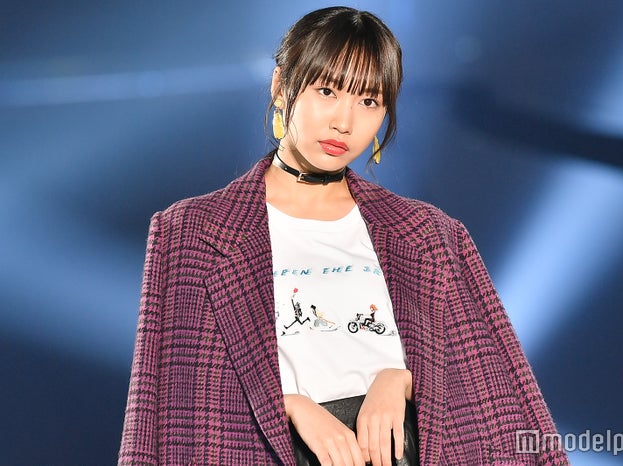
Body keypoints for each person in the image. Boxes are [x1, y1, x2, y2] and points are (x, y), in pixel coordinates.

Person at [118, 6, 569, 466]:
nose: (344, 122)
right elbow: (169, 410)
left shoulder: (430, 234)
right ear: (281, 86)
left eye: (369, 101)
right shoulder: (191, 233)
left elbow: (494, 395)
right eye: (327, 91)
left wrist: (402, 378)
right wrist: (287, 405)